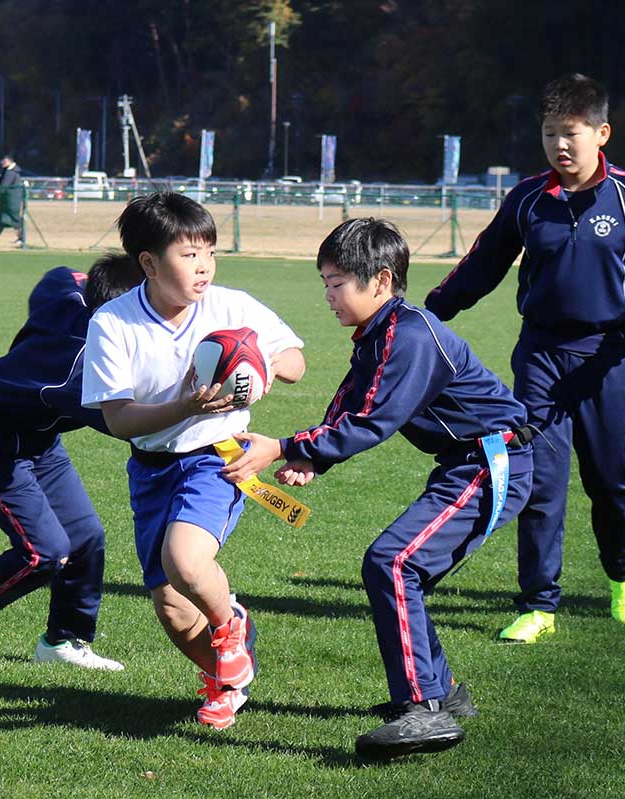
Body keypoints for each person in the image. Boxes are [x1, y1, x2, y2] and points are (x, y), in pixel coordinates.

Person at [223, 218, 534, 759]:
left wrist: (282, 446)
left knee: (393, 563)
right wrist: (310, 458)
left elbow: (373, 421)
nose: (328, 295)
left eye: (338, 281)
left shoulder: (409, 335)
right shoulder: (380, 332)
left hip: (493, 462)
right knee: (397, 566)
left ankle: (424, 711)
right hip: (472, 462)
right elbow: (351, 402)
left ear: (382, 280)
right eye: (324, 281)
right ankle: (442, 696)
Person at [423, 74, 625, 643]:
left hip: (609, 359)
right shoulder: (526, 199)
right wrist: (429, 312)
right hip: (541, 357)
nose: (559, 146)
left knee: (608, 481)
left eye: (570, 134)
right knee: (538, 482)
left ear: (602, 133)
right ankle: (538, 604)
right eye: (549, 135)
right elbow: (483, 264)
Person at [81, 192, 306, 730]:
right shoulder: (113, 323)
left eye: (209, 251)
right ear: (149, 263)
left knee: (186, 562)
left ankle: (230, 626)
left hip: (218, 458)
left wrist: (260, 373)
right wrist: (184, 404)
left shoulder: (232, 306)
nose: (204, 265)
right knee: (174, 608)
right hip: (153, 467)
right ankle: (227, 682)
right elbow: (118, 420)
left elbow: (294, 360)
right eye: (188, 254)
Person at [0, 253, 144, 672]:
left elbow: (59, 276)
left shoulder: (73, 297)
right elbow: (130, 424)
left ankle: (62, 641)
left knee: (85, 538)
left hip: (39, 438)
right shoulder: (80, 366)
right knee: (44, 552)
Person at [0, 155, 23, 244]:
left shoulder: (10, 173)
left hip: (11, 201)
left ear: (9, 162)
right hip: (8, 200)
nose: (2, 162)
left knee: (16, 219)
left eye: (4, 161)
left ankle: (22, 238)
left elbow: (3, 186)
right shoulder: (10, 172)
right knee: (4, 219)